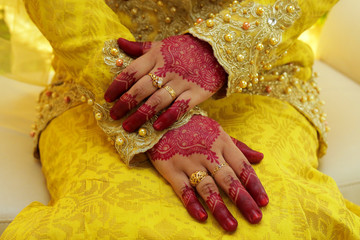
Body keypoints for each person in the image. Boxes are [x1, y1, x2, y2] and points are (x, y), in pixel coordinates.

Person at [1, 0, 360, 239]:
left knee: (273, 224)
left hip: (258, 74)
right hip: (100, 73)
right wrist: (159, 116)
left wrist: (217, 47)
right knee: (114, 224)